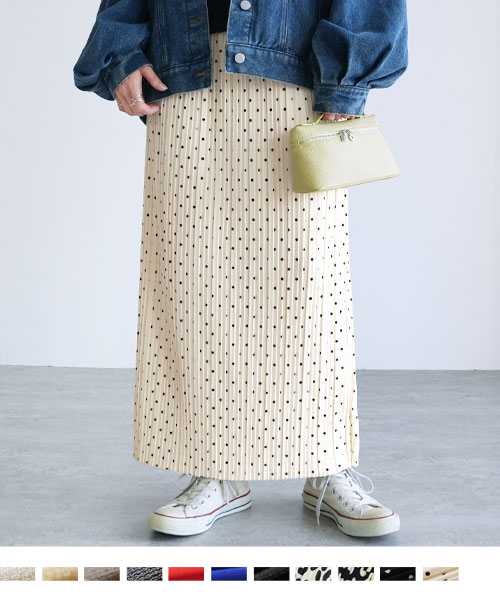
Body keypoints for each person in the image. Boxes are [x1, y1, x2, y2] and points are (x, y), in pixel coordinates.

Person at [74, 0, 408, 539]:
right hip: (184, 71)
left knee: (310, 284)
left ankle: (326, 464)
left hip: (297, 72)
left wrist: (346, 76)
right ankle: (215, 469)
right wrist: (121, 53)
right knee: (192, 282)